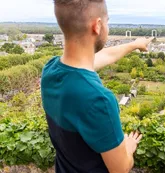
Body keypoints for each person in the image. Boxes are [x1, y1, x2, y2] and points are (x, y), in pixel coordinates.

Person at [41, 0, 153, 172]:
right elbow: (120, 168)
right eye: (107, 21)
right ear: (98, 26)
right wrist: (128, 146)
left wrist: (134, 45)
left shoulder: (50, 71)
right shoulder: (98, 99)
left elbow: (102, 57)